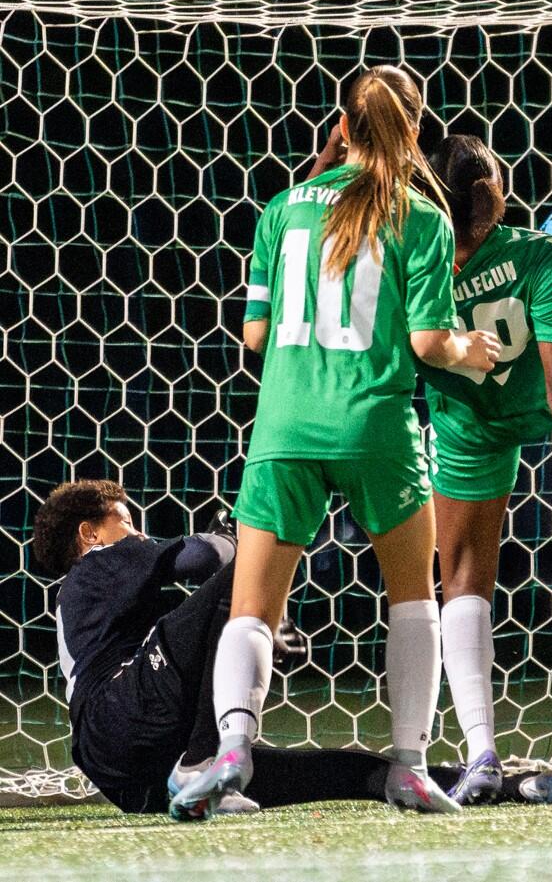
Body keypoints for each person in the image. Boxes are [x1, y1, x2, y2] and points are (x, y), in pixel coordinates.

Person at [169, 65, 503, 820]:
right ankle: (410, 767)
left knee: (251, 607)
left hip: (285, 424)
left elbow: (253, 334)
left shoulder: (282, 208)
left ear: (341, 128)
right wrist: (468, 350)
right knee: (413, 596)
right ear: (414, 131)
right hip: (373, 426)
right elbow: (427, 340)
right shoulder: (422, 216)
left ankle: (231, 750)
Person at [31, 479, 552, 815]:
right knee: (253, 565)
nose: (134, 533)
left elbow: (197, 629)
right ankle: (205, 759)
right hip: (123, 719)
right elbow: (207, 559)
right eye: (124, 522)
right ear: (89, 533)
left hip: (133, 777)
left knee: (349, 771)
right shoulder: (97, 565)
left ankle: (516, 786)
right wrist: (236, 531)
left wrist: (258, 627)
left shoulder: (99, 605)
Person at [408, 31, 552, 803]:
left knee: (461, 577)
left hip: (471, 415)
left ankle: (481, 754)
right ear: (497, 197)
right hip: (545, 380)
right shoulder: (534, 254)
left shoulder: (414, 256)